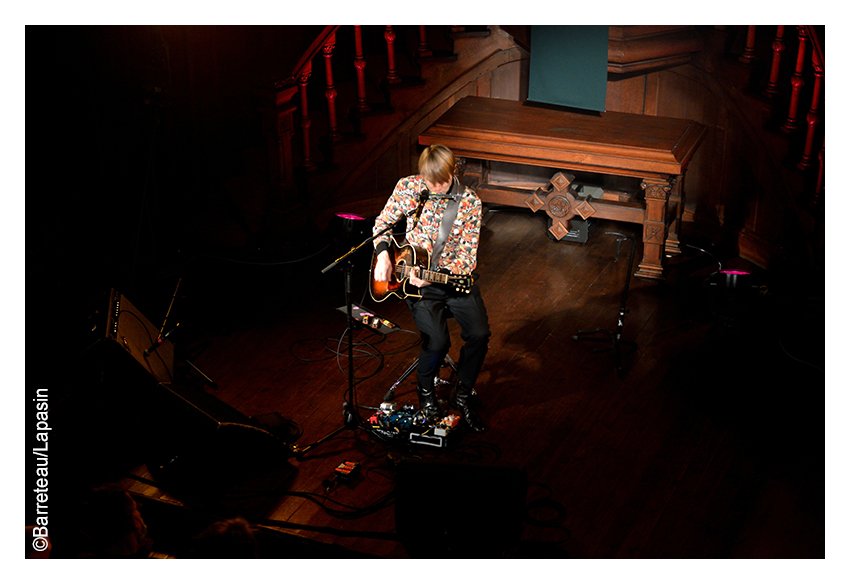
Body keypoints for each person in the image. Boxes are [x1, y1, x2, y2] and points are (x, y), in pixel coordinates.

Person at [373, 144, 489, 433]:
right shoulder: (409, 187)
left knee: (479, 334)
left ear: (453, 172)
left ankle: (461, 393)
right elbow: (382, 224)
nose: (435, 187)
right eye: (429, 181)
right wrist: (384, 254)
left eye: (442, 181)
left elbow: (467, 258)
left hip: (451, 279)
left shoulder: (469, 203)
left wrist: (437, 274)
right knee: (437, 342)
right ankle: (425, 393)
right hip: (414, 281)